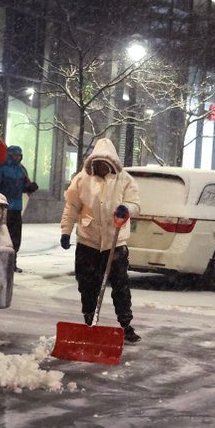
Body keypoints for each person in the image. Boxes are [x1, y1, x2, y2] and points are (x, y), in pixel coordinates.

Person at [60, 138, 142, 343]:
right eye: (97, 165)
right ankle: (89, 320)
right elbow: (72, 207)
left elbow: (135, 204)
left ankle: (126, 324)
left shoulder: (125, 180)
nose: (100, 168)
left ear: (112, 163)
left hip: (115, 242)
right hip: (88, 240)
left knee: (120, 285)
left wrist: (126, 209)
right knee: (87, 284)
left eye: (104, 165)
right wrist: (66, 231)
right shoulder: (81, 179)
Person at [0, 145, 38, 272]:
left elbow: (23, 186)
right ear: (10, 155)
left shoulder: (21, 170)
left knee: (15, 237)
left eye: (19, 155)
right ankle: (0, 262)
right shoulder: (1, 169)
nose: (17, 157)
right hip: (5, 207)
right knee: (3, 236)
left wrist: (29, 187)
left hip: (16, 207)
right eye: (15, 155)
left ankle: (12, 262)